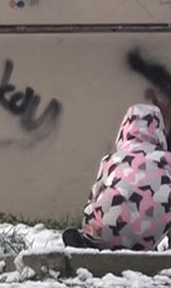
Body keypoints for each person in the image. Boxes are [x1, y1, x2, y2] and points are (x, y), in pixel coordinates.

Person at [63, 102, 171, 251]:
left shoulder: (111, 159)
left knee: (97, 203)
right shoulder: (167, 161)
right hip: (148, 238)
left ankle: (89, 241)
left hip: (108, 232)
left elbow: (95, 193)